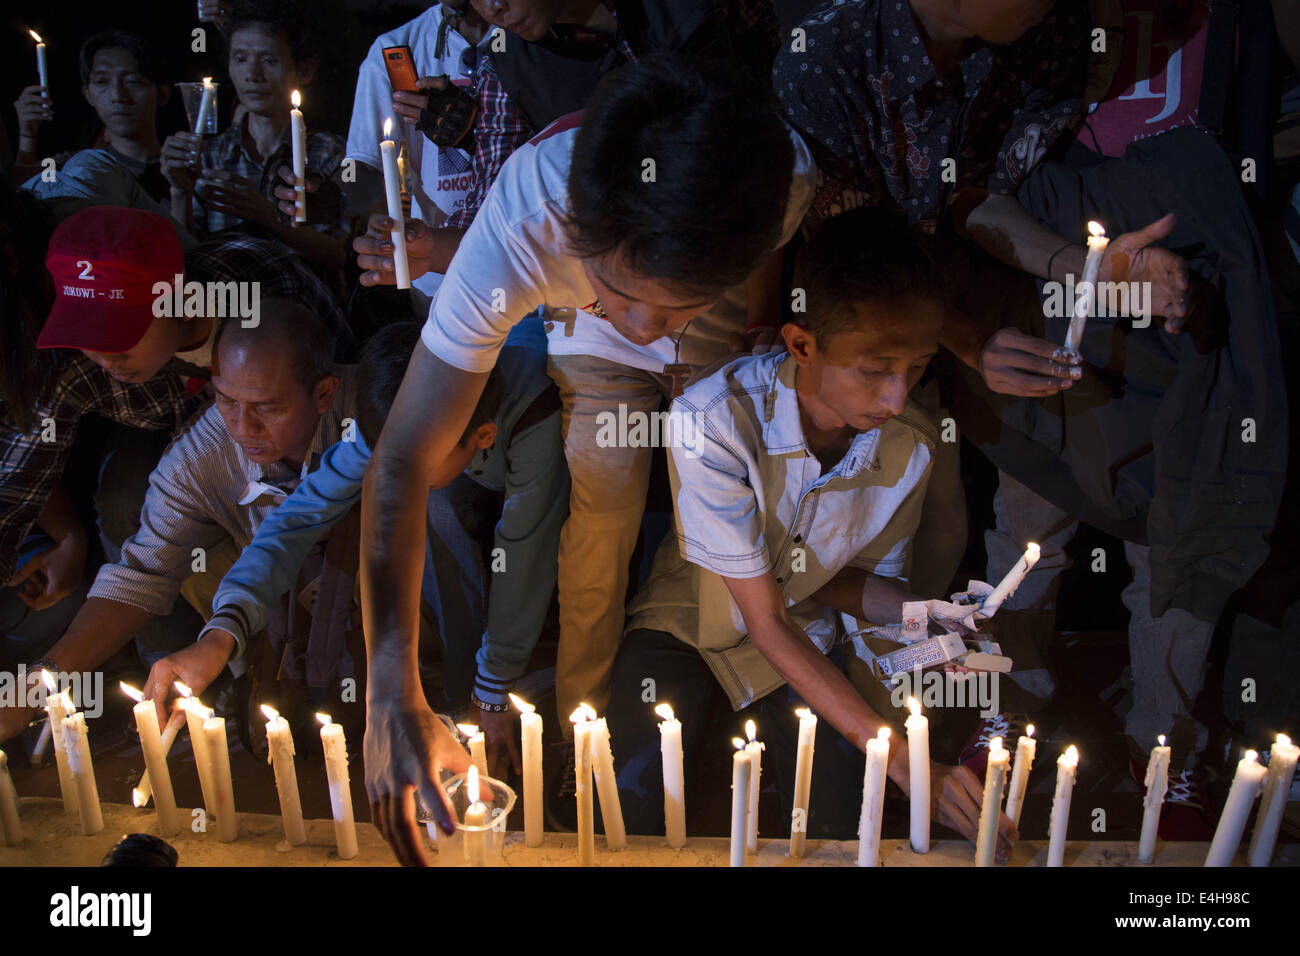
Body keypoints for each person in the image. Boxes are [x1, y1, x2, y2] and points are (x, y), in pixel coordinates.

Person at [355, 55, 813, 864]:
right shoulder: (527, 220)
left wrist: (747, 328)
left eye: (664, 303)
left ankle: (735, 705)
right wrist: (390, 690)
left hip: (720, 330)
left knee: (730, 508)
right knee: (600, 518)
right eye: (618, 287)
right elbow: (401, 458)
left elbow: (763, 250)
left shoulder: (789, 177)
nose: (643, 324)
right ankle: (583, 739)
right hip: (583, 341)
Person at [608, 206, 1016, 858]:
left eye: (916, 367)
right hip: (693, 627)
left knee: (843, 826)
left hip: (805, 640)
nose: (894, 396)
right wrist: (897, 754)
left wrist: (923, 614)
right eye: (875, 367)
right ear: (802, 345)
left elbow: (836, 584)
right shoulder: (711, 420)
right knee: (635, 801)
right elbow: (762, 621)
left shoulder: (908, 449)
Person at [141, 316, 568, 779]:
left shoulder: (531, 416)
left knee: (553, 546)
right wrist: (220, 636)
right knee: (431, 504)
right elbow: (296, 519)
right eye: (390, 463)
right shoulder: (394, 418)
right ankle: (457, 692)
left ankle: (484, 691)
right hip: (464, 453)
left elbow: (525, 552)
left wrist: (494, 689)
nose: (399, 475)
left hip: (550, 410)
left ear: (482, 438)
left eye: (414, 465)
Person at [0, 298, 353, 746]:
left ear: (323, 393)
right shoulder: (200, 455)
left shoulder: (375, 417)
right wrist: (34, 686)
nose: (243, 428)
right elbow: (142, 576)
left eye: (267, 407)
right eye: (226, 400)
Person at [161, 0, 348, 269]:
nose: (252, 74)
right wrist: (180, 191)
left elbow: (338, 254)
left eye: (268, 60)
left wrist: (267, 214)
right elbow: (183, 256)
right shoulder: (211, 155)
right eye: (240, 59)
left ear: (304, 69)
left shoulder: (328, 152)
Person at [342, 2, 490, 310]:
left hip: (529, 262)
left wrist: (475, 128)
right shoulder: (394, 49)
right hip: (439, 277)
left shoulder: (527, 33)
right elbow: (365, 164)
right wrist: (335, 198)